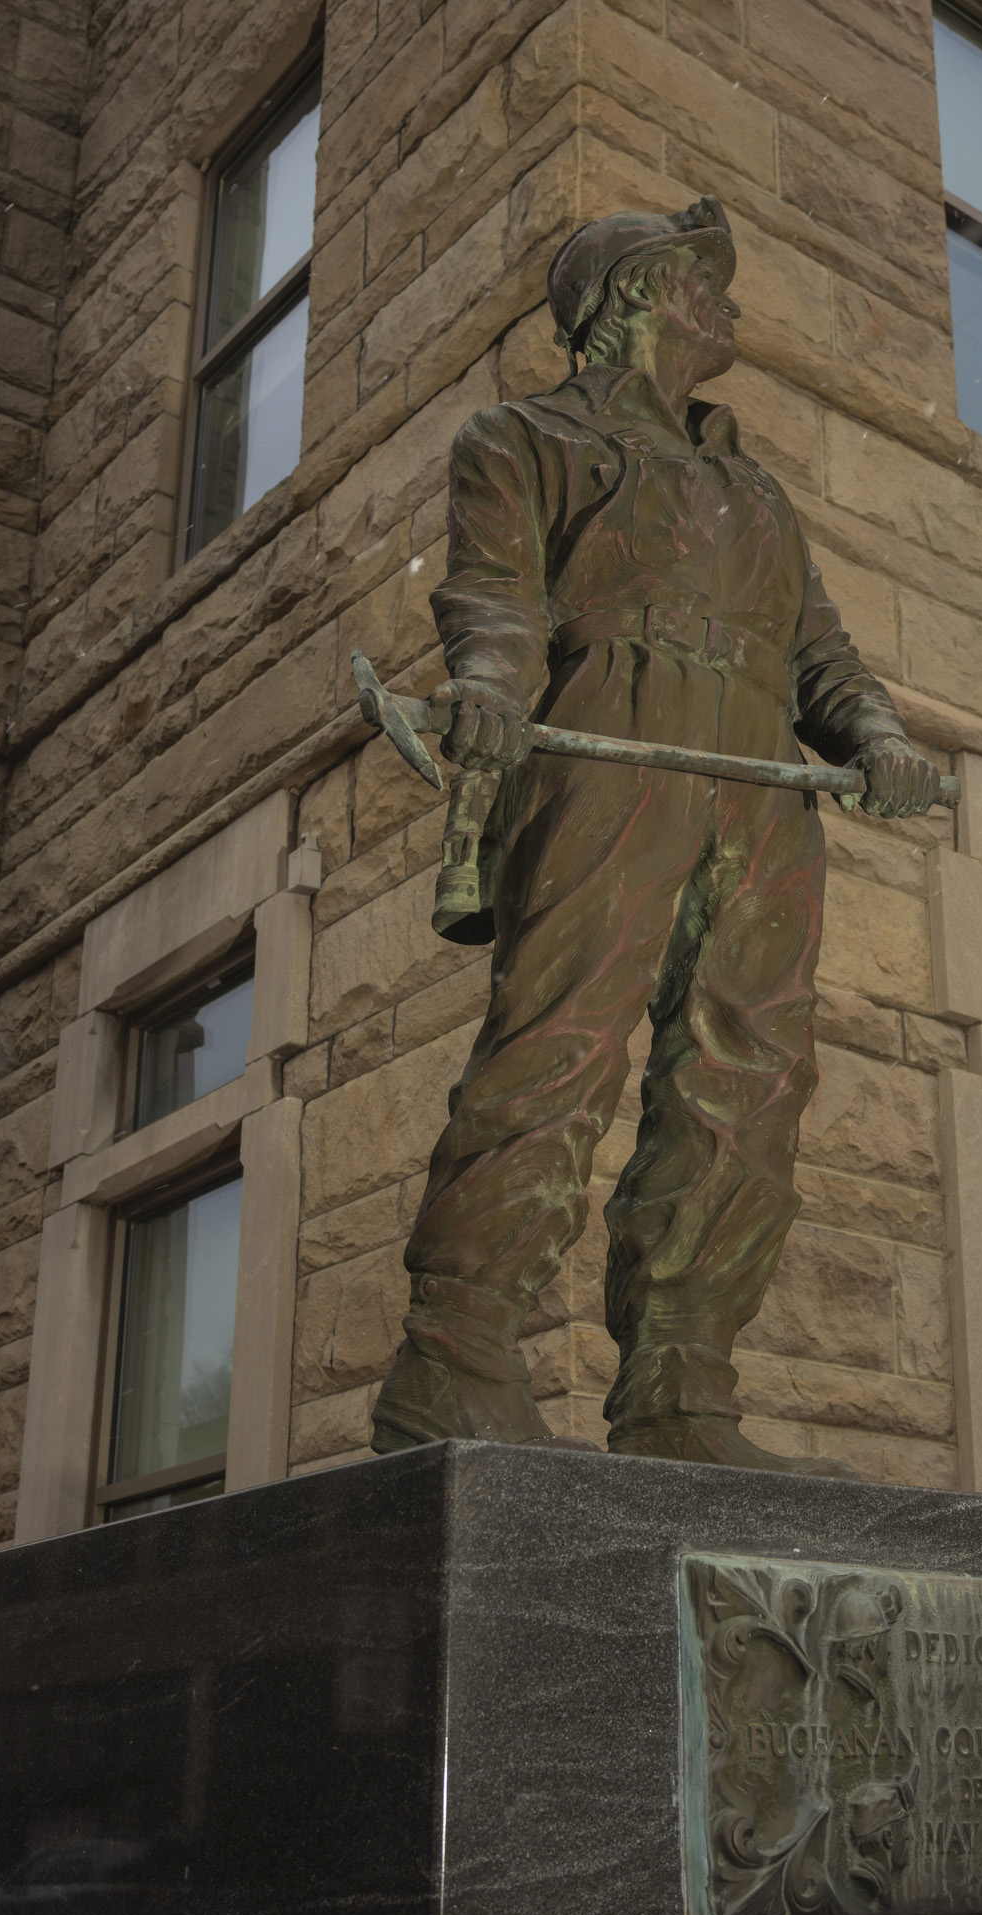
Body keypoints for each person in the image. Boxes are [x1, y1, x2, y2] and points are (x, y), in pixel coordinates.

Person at [370, 195, 943, 1477]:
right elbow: (497, 598)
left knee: (751, 1078)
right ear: (633, 296)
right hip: (607, 754)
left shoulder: (757, 492)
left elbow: (821, 654)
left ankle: (682, 1381)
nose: (726, 303)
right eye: (704, 280)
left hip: (759, 783)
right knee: (557, 1045)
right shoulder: (520, 440)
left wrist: (881, 740)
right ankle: (452, 1357)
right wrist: (488, 695)